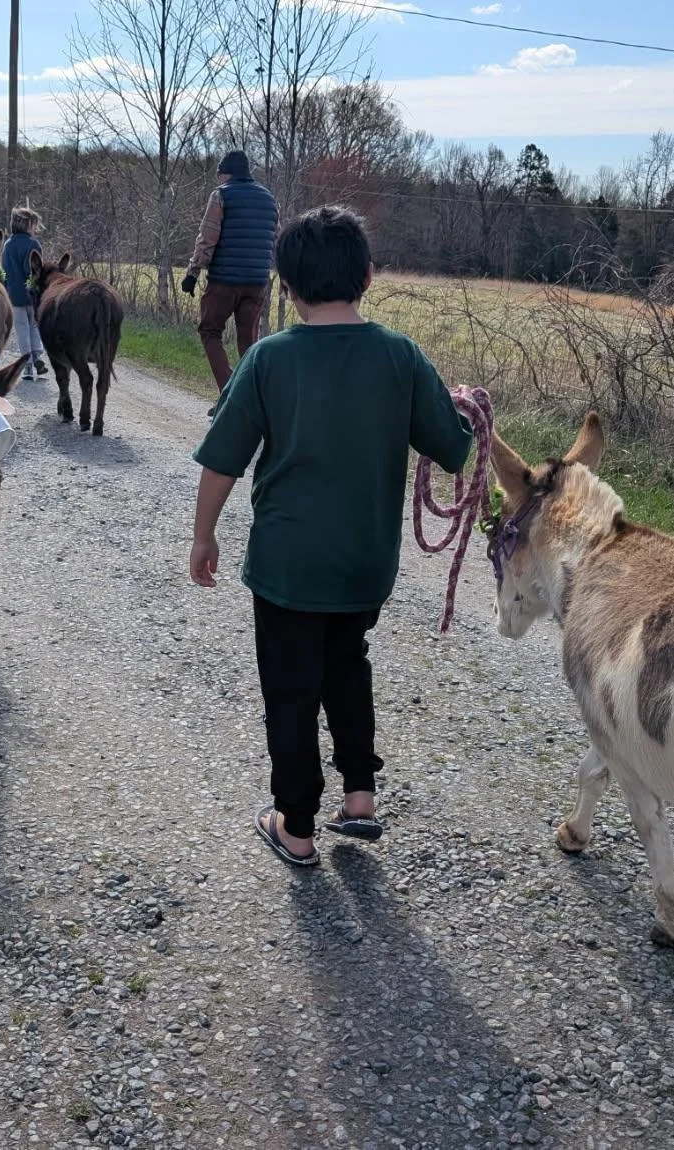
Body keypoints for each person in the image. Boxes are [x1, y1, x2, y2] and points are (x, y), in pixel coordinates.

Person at [188, 205, 474, 867]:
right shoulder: (401, 356)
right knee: (347, 667)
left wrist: (203, 536)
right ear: (367, 276)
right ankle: (360, 796)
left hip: (287, 569)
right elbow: (453, 448)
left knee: (290, 691)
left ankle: (295, 826)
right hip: (363, 566)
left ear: (285, 284)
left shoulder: (268, 359)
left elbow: (222, 458)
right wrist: (456, 403)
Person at [181, 150, 278, 408]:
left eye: (220, 173)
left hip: (224, 280)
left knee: (209, 331)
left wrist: (192, 273)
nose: (219, 178)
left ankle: (229, 397)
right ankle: (253, 400)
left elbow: (207, 238)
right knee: (249, 342)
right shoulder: (269, 199)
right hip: (257, 282)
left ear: (227, 173)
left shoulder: (222, 195)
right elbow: (273, 240)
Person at [0, 206, 48, 380]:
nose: (35, 229)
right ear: (28, 225)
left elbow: (4, 271)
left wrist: (6, 288)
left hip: (14, 294)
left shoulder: (7, 245)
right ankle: (36, 356)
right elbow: (34, 271)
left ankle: (26, 363)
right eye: (34, 225)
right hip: (32, 295)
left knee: (21, 327)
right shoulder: (33, 245)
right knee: (34, 325)